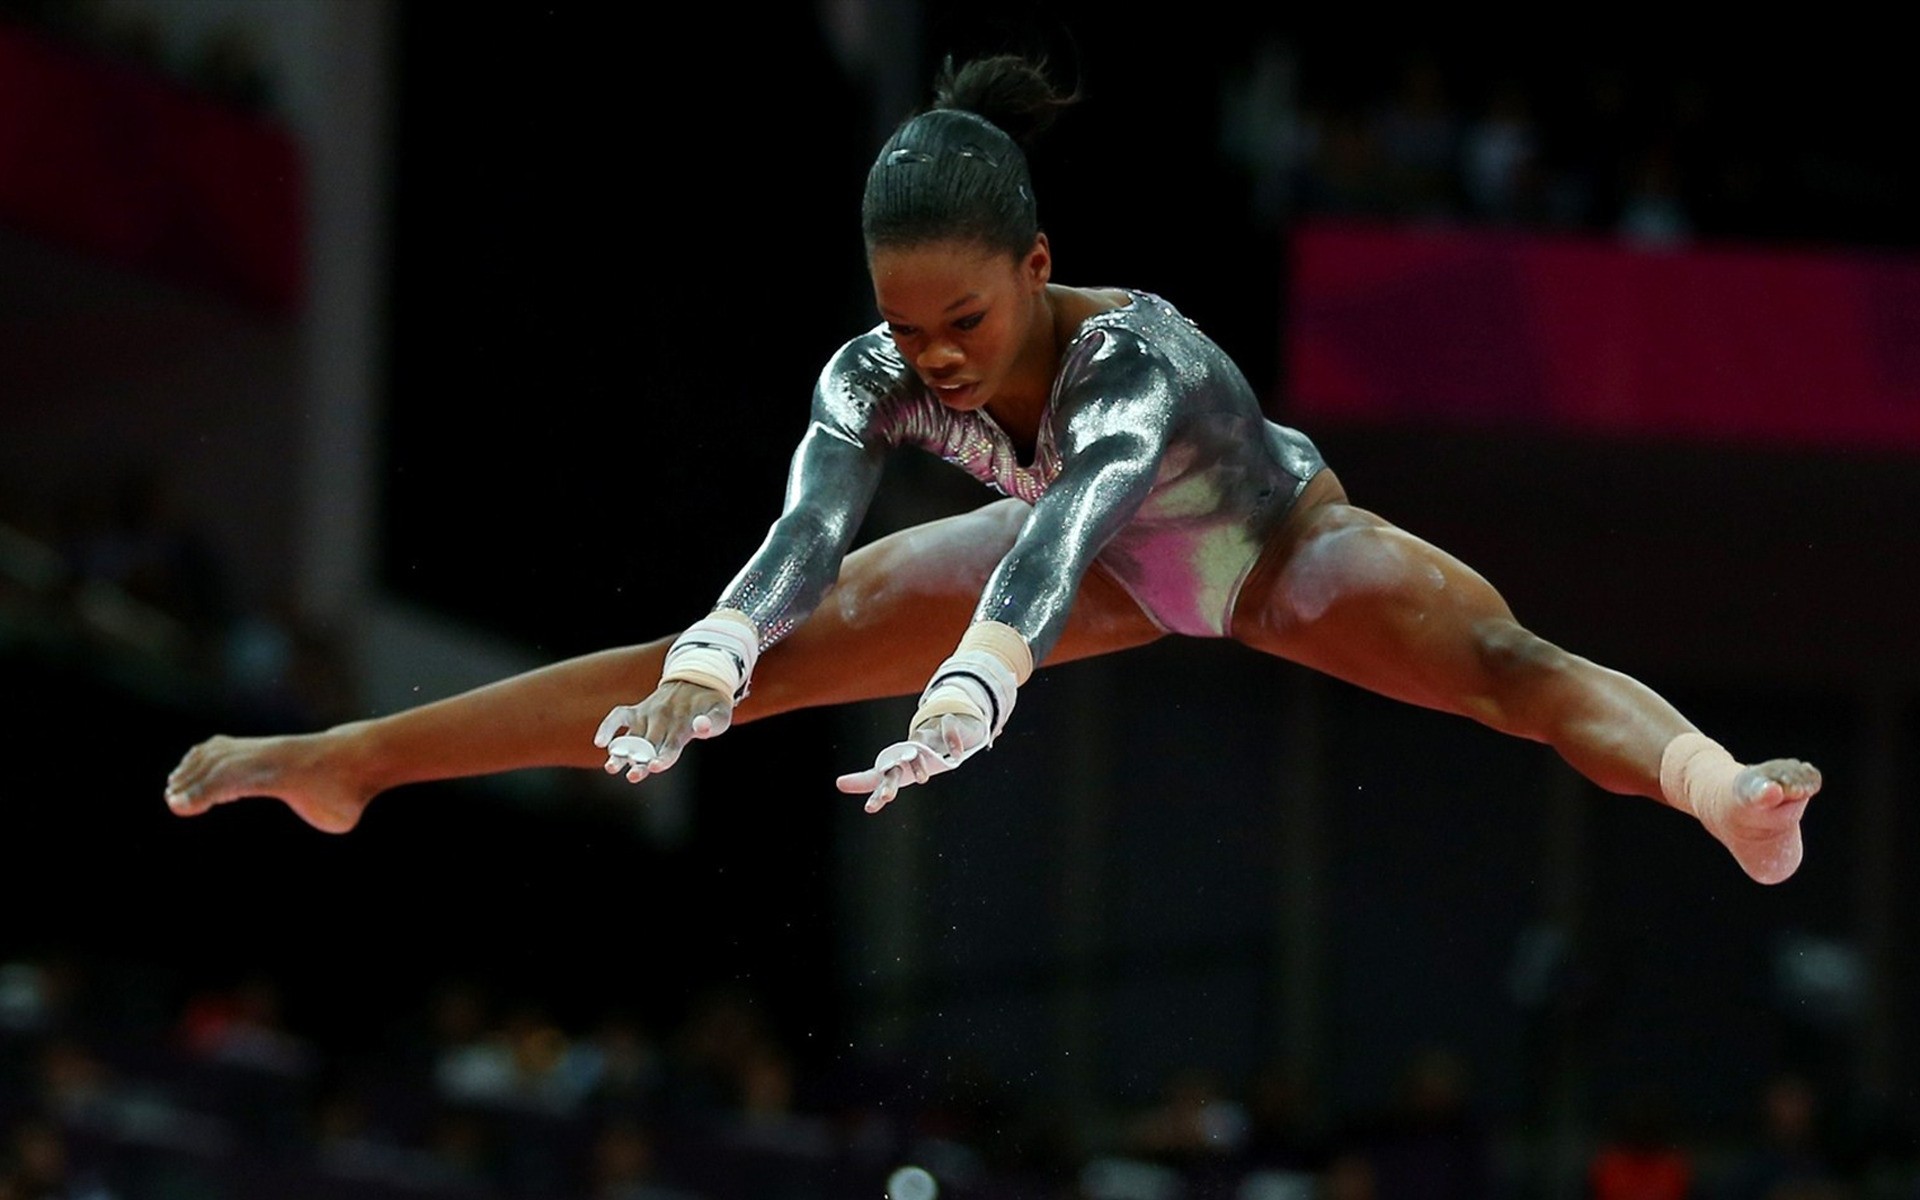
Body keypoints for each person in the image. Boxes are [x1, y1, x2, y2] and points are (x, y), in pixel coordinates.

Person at [163, 55, 1820, 888]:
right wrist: (711, 664)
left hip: (1259, 547)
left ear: (1039, 264)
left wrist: (973, 690)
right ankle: (351, 757)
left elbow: (1081, 517)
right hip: (1082, 566)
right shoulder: (875, 366)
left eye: (963, 315)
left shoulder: (1138, 361)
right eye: (904, 319)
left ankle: (1716, 792)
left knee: (1505, 670)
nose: (933, 356)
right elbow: (799, 538)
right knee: (737, 668)